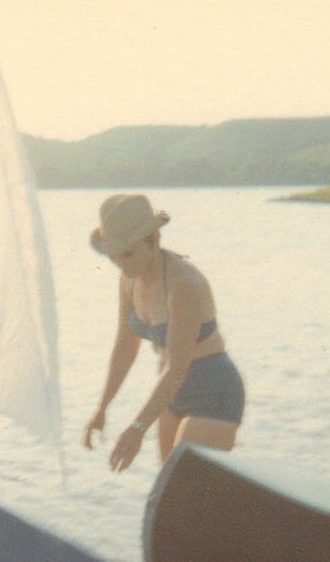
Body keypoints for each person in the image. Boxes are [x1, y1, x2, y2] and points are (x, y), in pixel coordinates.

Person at [83, 194, 245, 472]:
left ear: (153, 240)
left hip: (212, 390)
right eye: (114, 254)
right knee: (167, 484)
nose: (120, 263)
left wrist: (137, 428)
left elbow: (177, 367)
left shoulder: (184, 285)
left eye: (127, 253)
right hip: (172, 393)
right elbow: (125, 347)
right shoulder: (129, 279)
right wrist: (102, 408)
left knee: (184, 485)